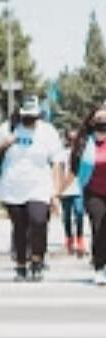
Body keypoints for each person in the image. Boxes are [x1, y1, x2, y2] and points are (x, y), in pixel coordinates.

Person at [0, 95, 63, 281]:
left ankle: (37, 260)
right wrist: (7, 142)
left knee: (38, 221)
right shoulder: (9, 127)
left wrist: (56, 191)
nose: (30, 120)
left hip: (39, 186)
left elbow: (57, 162)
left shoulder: (47, 131)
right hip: (13, 186)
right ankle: (21, 265)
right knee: (19, 227)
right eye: (26, 116)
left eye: (33, 116)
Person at [58, 103, 106, 285]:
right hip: (94, 192)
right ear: (92, 121)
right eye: (99, 120)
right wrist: (59, 191)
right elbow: (74, 170)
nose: (103, 123)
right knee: (99, 227)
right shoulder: (85, 142)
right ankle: (99, 267)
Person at [56, 128, 86, 257]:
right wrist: (59, 188)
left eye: (75, 139)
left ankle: (80, 239)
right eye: (71, 139)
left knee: (79, 213)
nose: (73, 141)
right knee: (66, 216)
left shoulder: (82, 153)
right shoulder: (63, 153)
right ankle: (69, 239)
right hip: (66, 189)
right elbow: (60, 171)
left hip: (78, 188)